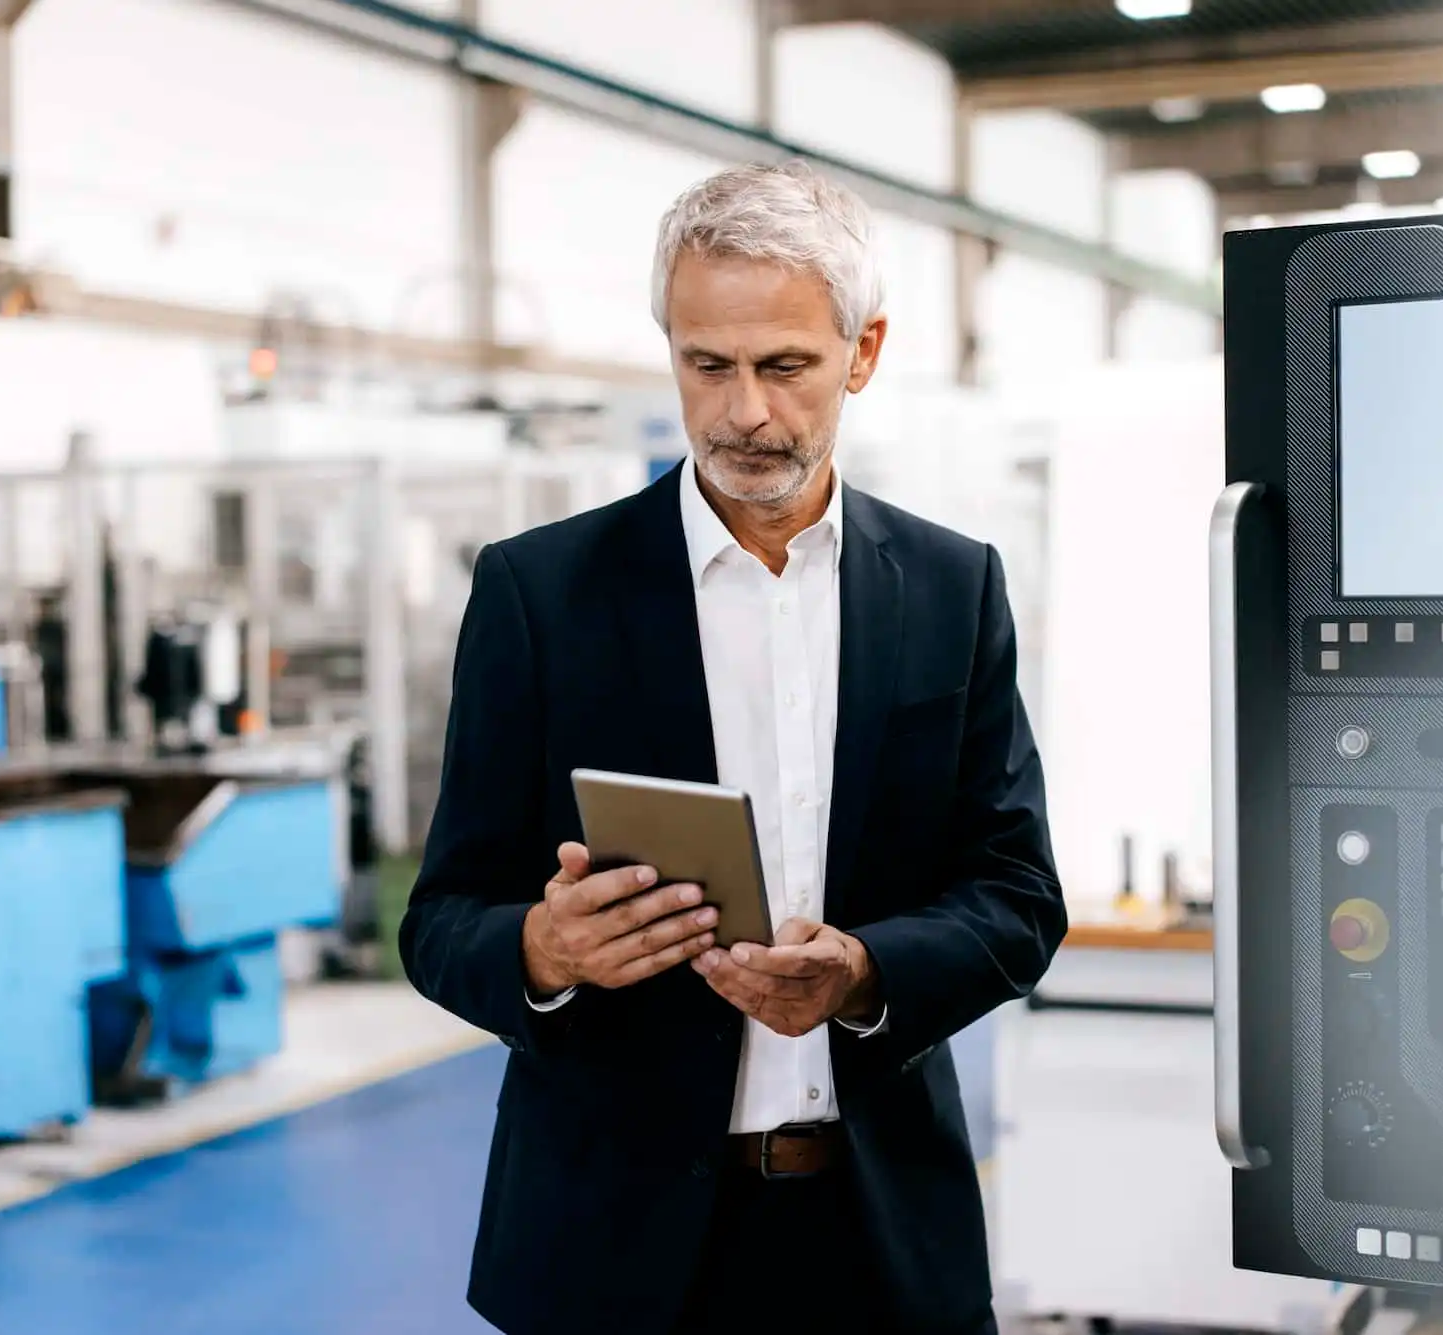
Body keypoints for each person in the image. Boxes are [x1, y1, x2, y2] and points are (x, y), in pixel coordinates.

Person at [399, 159, 1066, 1335]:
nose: (743, 411)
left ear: (860, 355)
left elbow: (1014, 897)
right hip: (612, 1252)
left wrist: (863, 973)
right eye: (706, 365)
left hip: (875, 1242)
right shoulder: (538, 594)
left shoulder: (953, 590)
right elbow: (442, 915)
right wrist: (544, 952)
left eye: (784, 367)